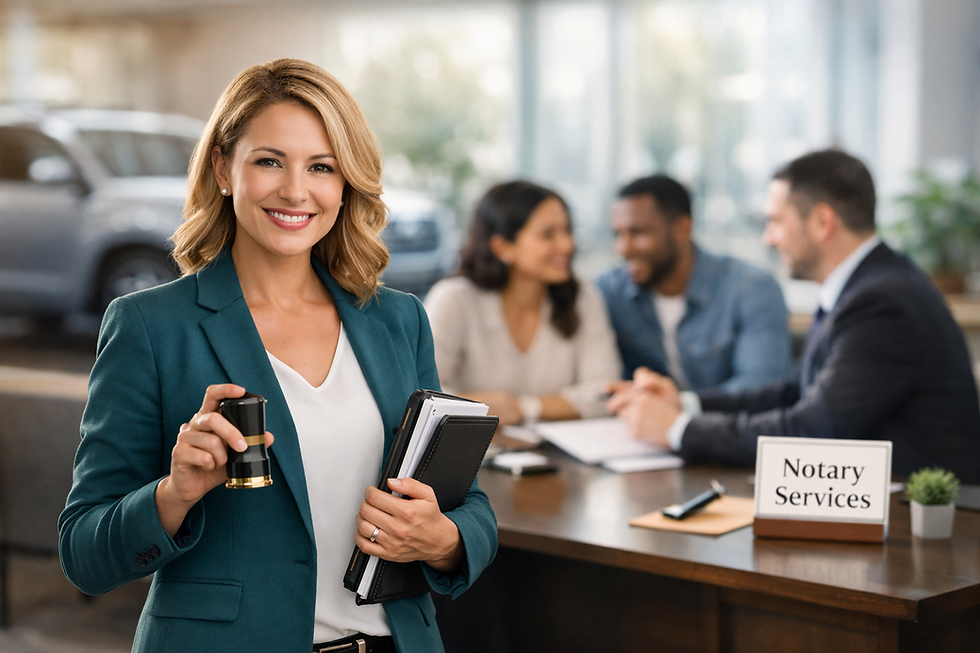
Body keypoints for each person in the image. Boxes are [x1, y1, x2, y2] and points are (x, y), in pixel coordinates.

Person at [58, 59, 496, 653]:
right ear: (223, 168)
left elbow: (466, 504)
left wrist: (441, 539)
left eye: (322, 166)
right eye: (269, 161)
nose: (296, 190)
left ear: (346, 184)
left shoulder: (398, 320)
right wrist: (176, 492)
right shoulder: (149, 327)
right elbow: (85, 552)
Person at [608, 149, 980, 482]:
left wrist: (679, 430)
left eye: (776, 222)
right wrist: (687, 404)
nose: (769, 238)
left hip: (931, 522)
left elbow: (816, 429)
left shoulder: (882, 301)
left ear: (821, 222)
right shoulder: (865, 285)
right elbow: (793, 391)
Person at [424, 180, 621, 426]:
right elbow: (427, 398)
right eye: (547, 234)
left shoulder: (583, 298)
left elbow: (605, 394)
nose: (567, 245)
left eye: (567, 230)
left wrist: (521, 408)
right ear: (502, 247)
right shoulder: (455, 300)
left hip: (559, 458)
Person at [596, 174, 792, 392]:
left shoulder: (752, 289)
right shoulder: (608, 292)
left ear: (682, 228)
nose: (624, 248)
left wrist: (682, 407)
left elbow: (761, 386)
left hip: (725, 424)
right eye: (618, 234)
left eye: (638, 232)